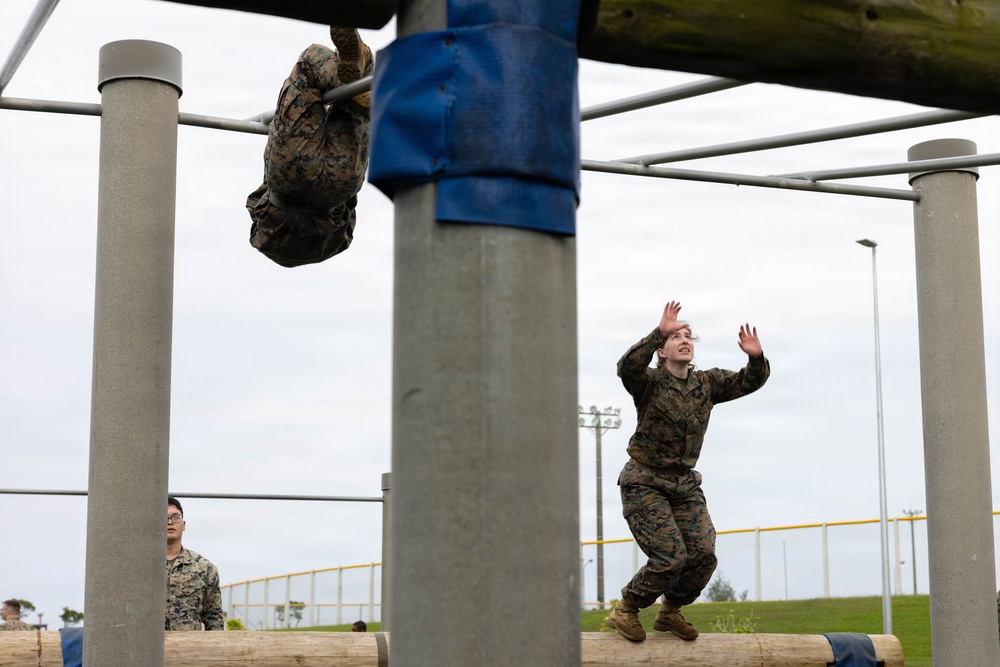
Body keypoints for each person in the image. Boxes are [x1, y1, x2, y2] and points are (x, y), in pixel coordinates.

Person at [606, 300, 770, 642]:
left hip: (684, 486)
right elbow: (626, 367)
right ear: (662, 352)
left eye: (687, 336)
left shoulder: (706, 384)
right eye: (675, 337)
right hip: (644, 482)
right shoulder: (649, 382)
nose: (684, 340)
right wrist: (656, 333)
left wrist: (756, 359)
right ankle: (626, 607)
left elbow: (748, 382)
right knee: (670, 556)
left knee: (702, 555)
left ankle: (670, 611)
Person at [246, 27, 373, 268]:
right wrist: (277, 132)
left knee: (356, 94)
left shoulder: (334, 244)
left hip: (341, 185)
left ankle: (361, 76)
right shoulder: (262, 238)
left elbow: (350, 214)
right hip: (290, 180)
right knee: (310, 63)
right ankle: (348, 76)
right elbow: (256, 201)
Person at [166, 497, 224, 631]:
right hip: (148, 650)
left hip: (188, 648)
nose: (170, 522)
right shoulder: (140, 568)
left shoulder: (204, 568)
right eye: (164, 518)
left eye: (175, 517)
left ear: (183, 524)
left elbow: (214, 618)